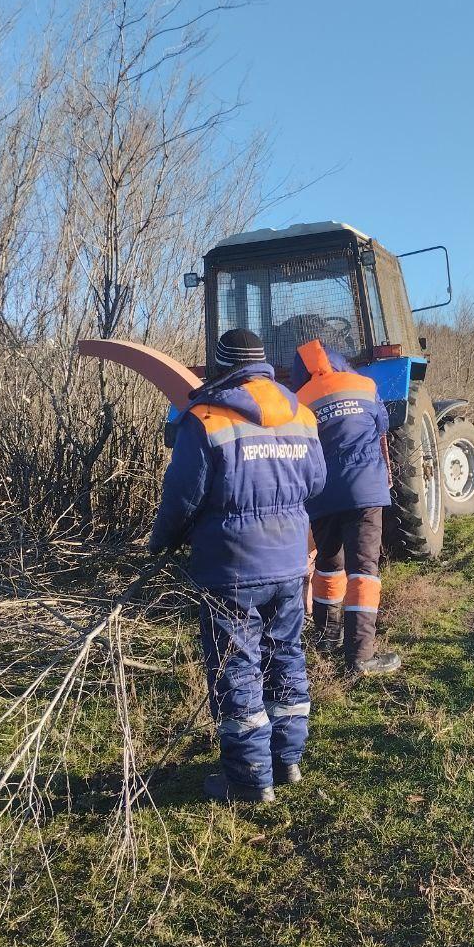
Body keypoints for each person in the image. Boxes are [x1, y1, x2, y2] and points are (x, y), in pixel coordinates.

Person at [149, 329, 326, 804]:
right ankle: (287, 761)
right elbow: (317, 481)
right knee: (285, 654)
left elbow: (182, 498)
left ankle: (249, 780)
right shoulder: (302, 414)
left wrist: (161, 541)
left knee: (237, 666)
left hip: (230, 569)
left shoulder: (204, 419)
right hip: (289, 563)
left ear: (221, 365)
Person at [290, 338, 401, 677]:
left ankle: (327, 636)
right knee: (364, 570)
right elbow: (382, 425)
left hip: (322, 495)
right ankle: (360, 655)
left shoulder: (298, 401)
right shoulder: (365, 385)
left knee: (328, 564)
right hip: (364, 492)